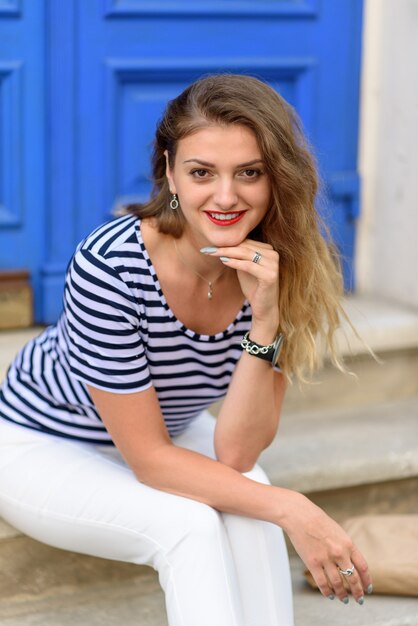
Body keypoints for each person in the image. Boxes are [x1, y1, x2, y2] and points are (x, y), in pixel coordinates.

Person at [0, 74, 372, 626]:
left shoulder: (275, 263)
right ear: (170, 172)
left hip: (165, 430)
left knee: (253, 497)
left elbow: (238, 454)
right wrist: (298, 511)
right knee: (191, 526)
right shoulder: (112, 267)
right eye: (202, 172)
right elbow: (149, 460)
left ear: (277, 180)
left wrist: (266, 318)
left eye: (250, 173)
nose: (226, 197)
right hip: (41, 439)